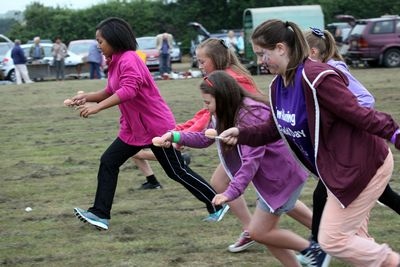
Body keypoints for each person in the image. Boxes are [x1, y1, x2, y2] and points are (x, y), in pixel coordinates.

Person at [218, 19, 400, 267]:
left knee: (333, 239)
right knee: (350, 239)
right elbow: (274, 129)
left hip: (365, 165)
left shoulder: (316, 78)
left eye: (263, 54)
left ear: (281, 48)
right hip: (338, 172)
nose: (260, 61)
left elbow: (359, 113)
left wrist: (395, 134)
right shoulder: (278, 86)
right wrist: (241, 133)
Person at [70, 17, 228, 231]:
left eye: (101, 41)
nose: (98, 46)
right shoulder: (116, 61)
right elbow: (111, 90)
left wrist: (97, 108)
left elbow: (128, 90)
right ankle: (100, 214)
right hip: (134, 129)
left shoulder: (130, 59)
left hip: (155, 128)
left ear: (114, 39)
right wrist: (87, 97)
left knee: (176, 170)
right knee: (109, 161)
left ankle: (216, 203)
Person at [156, 70, 329, 266]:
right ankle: (311, 251)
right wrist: (175, 136)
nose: (206, 108)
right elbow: (207, 137)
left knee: (259, 232)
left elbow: (250, 162)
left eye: (207, 103)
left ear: (223, 98)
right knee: (264, 233)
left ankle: (313, 249)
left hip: (281, 177)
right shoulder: (224, 112)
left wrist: (231, 192)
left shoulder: (250, 115)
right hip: (272, 179)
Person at [304, 26, 400, 250]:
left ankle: (317, 245)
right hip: (341, 152)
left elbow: (366, 99)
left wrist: (347, 115)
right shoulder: (316, 73)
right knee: (383, 196)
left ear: (314, 53)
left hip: (356, 148)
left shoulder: (331, 71)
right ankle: (325, 244)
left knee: (323, 194)